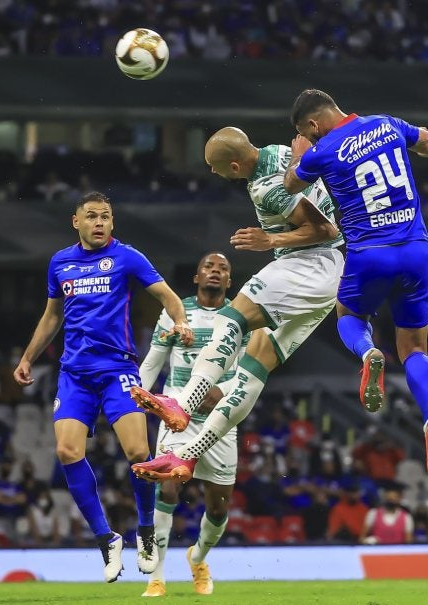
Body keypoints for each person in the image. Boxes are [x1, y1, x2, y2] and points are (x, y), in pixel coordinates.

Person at [129, 128, 342, 486]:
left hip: (307, 263)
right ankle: (187, 456)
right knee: (251, 372)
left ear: (232, 164)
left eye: (215, 168)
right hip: (331, 275)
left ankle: (183, 404)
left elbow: (325, 229)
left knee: (231, 319)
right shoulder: (275, 152)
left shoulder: (264, 189)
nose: (214, 174)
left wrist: (270, 239)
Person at [12, 191, 194, 583]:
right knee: (65, 450)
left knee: (138, 452)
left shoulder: (127, 256)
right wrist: (27, 357)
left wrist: (180, 321)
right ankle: (106, 538)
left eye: (106, 216)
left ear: (113, 223)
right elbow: (51, 316)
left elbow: (167, 296)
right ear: (75, 221)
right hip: (74, 373)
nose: (99, 222)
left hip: (116, 369)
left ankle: (145, 530)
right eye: (91, 216)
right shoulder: (60, 262)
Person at [282, 88, 428, 482]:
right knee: (414, 348)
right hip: (415, 252)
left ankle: (368, 353)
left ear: (311, 125)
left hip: (369, 255)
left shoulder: (320, 152)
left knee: (349, 314)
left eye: (308, 133)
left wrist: (297, 156)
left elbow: (291, 185)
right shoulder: (386, 123)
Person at [135, 252, 248, 597]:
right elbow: (152, 365)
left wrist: (223, 391)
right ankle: (157, 577)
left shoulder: (241, 318)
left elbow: (248, 372)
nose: (215, 272)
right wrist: (133, 404)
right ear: (197, 277)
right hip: (177, 417)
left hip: (220, 421)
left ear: (229, 281)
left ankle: (198, 557)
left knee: (218, 506)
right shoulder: (175, 314)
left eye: (223, 269)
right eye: (208, 267)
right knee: (166, 488)